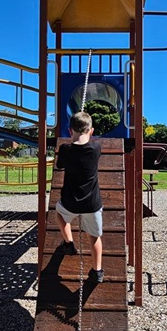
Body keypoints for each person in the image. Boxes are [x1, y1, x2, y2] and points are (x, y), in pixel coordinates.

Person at [55, 111, 104, 283]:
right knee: (94, 237)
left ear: (70, 131)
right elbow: (88, 144)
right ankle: (97, 270)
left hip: (70, 202)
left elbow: (59, 165)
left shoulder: (65, 149)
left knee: (59, 214)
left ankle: (68, 243)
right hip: (92, 203)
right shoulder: (95, 148)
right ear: (91, 131)